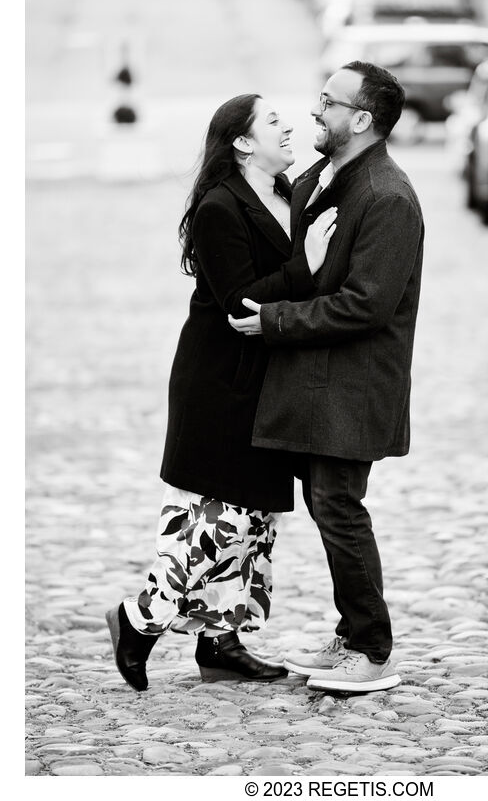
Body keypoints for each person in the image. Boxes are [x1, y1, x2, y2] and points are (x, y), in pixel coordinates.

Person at [106, 94, 338, 691]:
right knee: (216, 521)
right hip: (219, 382)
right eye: (273, 122)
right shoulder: (219, 206)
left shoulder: (287, 193)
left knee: (254, 518)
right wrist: (305, 265)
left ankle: (220, 644)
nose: (287, 128)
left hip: (266, 380)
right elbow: (241, 303)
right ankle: (137, 620)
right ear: (241, 142)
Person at [228, 62, 424, 693]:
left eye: (328, 103)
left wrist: (277, 320)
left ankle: (372, 649)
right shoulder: (322, 176)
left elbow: (367, 304)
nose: (315, 111)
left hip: (357, 384)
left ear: (362, 120)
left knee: (339, 507)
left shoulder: (388, 197)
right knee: (325, 503)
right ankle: (350, 634)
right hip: (318, 382)